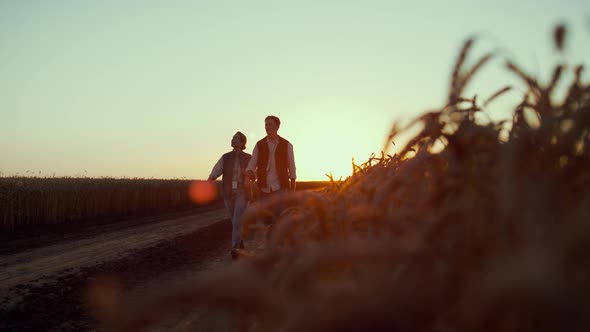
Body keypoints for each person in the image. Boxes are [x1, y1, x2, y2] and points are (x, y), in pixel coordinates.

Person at [208, 131, 252, 260]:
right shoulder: (225, 157)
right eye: (232, 138)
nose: (232, 140)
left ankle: (235, 248)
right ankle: (240, 240)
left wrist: (250, 177)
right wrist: (210, 179)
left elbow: (254, 172)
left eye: (236, 138)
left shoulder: (249, 158)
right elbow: (217, 170)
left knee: (237, 220)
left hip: (243, 192)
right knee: (235, 220)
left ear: (242, 142)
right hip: (228, 193)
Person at [246, 115, 296, 225]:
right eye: (266, 125)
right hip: (264, 186)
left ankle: (278, 239)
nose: (267, 127)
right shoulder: (259, 144)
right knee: (266, 218)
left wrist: (292, 186)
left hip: (281, 186)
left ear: (278, 126)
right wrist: (250, 172)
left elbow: (292, 166)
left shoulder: (287, 144)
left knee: (280, 216)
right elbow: (252, 163)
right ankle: (270, 238)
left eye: (270, 124)